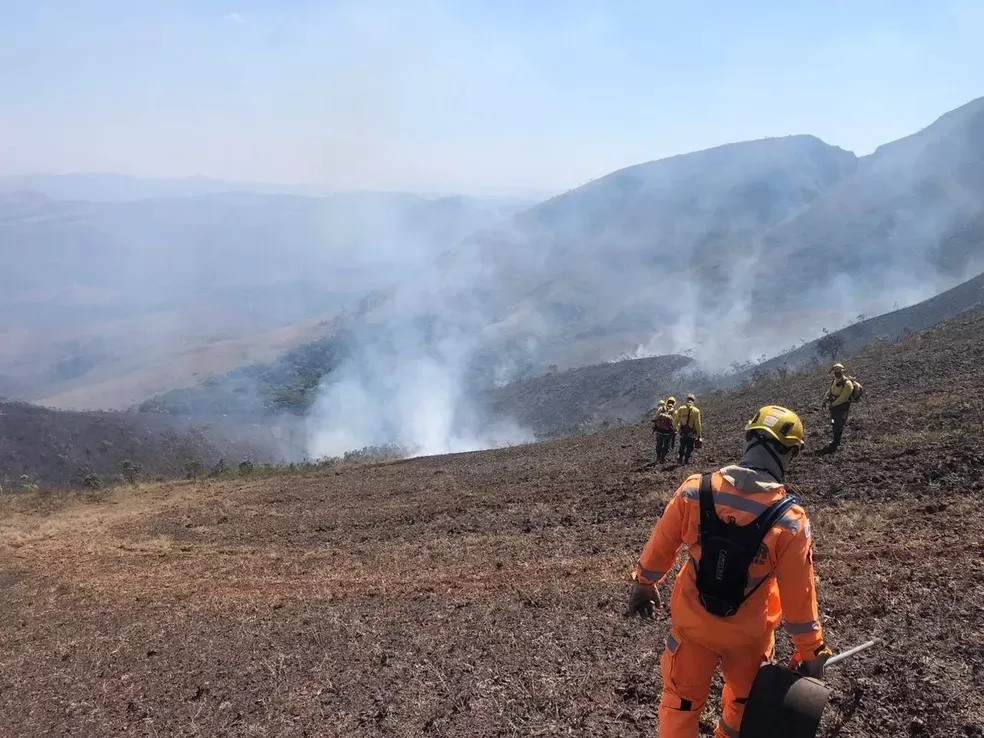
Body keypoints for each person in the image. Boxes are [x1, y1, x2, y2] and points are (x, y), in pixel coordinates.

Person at [628, 405, 831, 738]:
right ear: (791, 452)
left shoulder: (695, 489)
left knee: (680, 702)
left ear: (748, 439)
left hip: (692, 628)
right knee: (742, 702)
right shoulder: (791, 520)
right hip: (749, 637)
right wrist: (811, 652)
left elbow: (662, 544)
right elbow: (799, 599)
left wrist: (644, 583)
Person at [822, 362, 854, 452]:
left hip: (842, 407)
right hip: (834, 407)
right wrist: (824, 401)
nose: (837, 372)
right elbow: (830, 391)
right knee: (834, 422)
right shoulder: (835, 381)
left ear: (842, 371)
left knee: (839, 424)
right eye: (835, 371)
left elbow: (844, 397)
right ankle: (835, 441)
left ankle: (837, 443)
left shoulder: (847, 383)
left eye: (838, 371)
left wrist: (833, 405)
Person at [673, 394, 702, 464]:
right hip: (691, 432)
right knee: (690, 446)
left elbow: (676, 420)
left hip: (683, 431)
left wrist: (674, 428)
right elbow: (698, 423)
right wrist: (699, 434)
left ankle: (680, 458)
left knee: (682, 444)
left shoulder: (681, 409)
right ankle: (686, 459)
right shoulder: (696, 411)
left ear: (687, 400)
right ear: (693, 401)